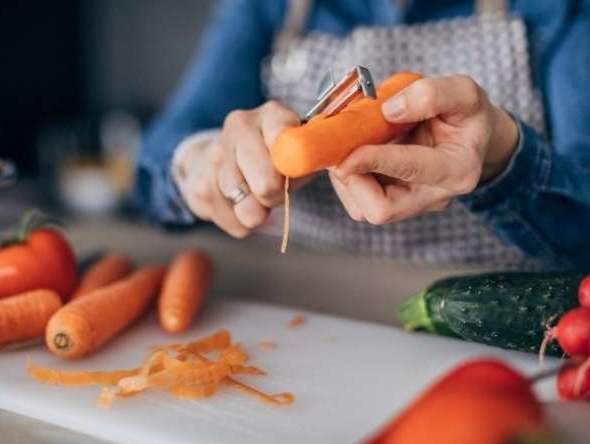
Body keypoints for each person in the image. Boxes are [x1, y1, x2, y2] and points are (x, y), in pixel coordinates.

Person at [134, 0, 590, 270]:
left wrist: (504, 161)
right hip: (311, 311)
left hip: (486, 333)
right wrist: (199, 162)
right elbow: (158, 160)